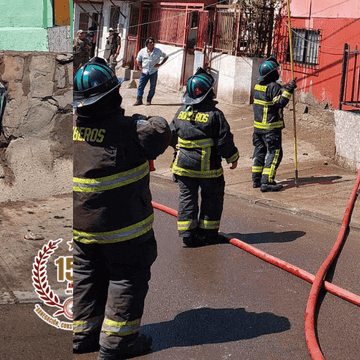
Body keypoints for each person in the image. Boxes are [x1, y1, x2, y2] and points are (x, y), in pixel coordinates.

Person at [71, 57, 170, 359]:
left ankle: (82, 334)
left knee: (86, 276)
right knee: (126, 278)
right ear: (114, 95)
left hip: (81, 229)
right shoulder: (131, 131)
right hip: (124, 231)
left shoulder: (70, 130)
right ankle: (118, 342)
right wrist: (142, 117)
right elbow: (161, 131)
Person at [171, 68, 239, 248]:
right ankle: (208, 235)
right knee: (212, 198)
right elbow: (224, 141)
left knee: (187, 198)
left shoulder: (180, 112)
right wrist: (233, 157)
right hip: (208, 169)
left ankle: (188, 234)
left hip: (183, 168)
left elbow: (170, 135)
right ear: (209, 91)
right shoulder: (215, 115)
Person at [252, 57, 296, 192]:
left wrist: (284, 87)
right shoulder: (273, 87)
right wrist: (289, 90)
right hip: (271, 130)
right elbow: (280, 102)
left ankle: (257, 179)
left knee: (260, 152)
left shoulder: (258, 86)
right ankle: (267, 181)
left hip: (258, 129)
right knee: (275, 153)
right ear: (272, 74)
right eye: (276, 70)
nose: (278, 72)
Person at [133, 38, 167, 106]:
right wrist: (140, 68)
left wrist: (160, 64)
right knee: (140, 86)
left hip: (153, 71)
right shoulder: (142, 51)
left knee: (152, 87)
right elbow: (138, 60)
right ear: (147, 44)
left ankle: (149, 100)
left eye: (153, 42)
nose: (152, 44)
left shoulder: (158, 51)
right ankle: (139, 100)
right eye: (150, 42)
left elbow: (165, 56)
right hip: (144, 72)